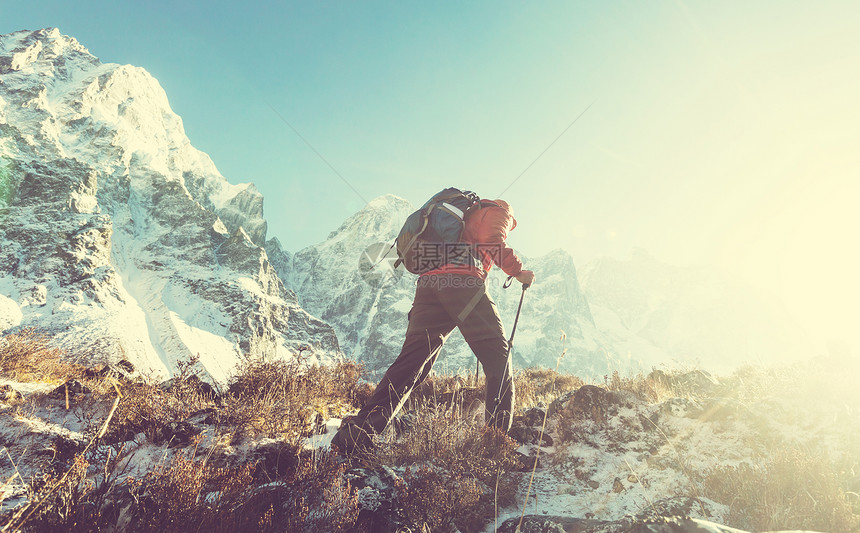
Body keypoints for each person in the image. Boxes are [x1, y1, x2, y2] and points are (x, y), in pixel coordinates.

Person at [332, 197, 535, 455]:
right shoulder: (498, 212)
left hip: (428, 287)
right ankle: (494, 446)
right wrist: (518, 271)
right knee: (499, 359)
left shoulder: (462, 215)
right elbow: (492, 242)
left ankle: (358, 434)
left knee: (411, 364)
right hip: (462, 282)